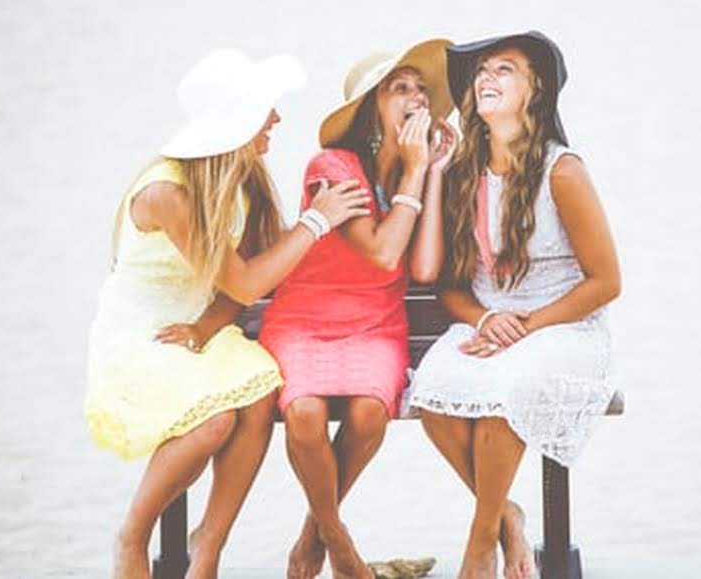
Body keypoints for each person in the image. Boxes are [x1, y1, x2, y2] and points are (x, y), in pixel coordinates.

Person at [84, 49, 371, 579]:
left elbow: (257, 272)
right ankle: (132, 536)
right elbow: (243, 281)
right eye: (267, 110)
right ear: (236, 122)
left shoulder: (244, 177)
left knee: (259, 398)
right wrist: (315, 221)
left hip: (199, 331)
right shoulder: (167, 192)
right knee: (214, 420)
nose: (277, 121)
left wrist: (207, 326)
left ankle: (208, 549)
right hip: (142, 338)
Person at [404, 32, 621, 579]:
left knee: (508, 391)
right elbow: (450, 287)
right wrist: (485, 318)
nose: (485, 80)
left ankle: (480, 545)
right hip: (491, 322)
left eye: (504, 70)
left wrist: (526, 326)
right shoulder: (463, 173)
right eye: (481, 72)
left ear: (536, 90)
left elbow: (606, 281)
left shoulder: (562, 172)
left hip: (564, 325)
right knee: (431, 392)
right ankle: (505, 518)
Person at [258, 39, 457, 579]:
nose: (415, 98)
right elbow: (379, 248)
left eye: (421, 90)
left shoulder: (413, 172)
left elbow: (421, 269)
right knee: (304, 412)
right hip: (305, 319)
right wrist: (417, 170)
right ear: (373, 108)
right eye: (400, 89)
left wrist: (432, 172)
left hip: (375, 323)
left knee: (371, 412)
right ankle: (340, 546)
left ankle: (310, 538)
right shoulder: (333, 165)